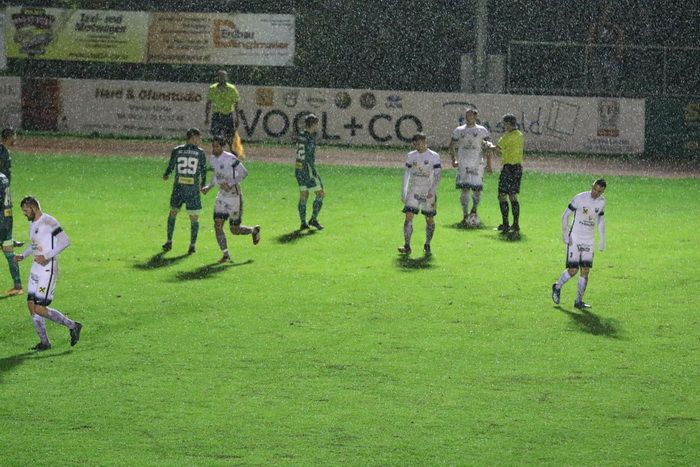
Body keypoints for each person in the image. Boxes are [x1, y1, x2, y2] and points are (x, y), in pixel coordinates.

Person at [15, 196, 81, 351]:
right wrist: (23, 255)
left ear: (33, 207)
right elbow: (35, 244)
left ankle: (73, 326)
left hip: (47, 268)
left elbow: (65, 241)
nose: (24, 214)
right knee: (31, 305)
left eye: (26, 210)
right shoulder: (32, 223)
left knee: (39, 308)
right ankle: (45, 343)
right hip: (36, 267)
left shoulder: (49, 221)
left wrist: (47, 256)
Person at [202, 136, 261, 263]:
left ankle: (253, 230)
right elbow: (216, 176)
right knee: (218, 225)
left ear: (223, 147)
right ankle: (226, 254)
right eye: (213, 146)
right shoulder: (213, 159)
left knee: (234, 230)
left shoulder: (231, 159)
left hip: (234, 197)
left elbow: (244, 173)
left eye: (217, 146)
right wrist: (208, 187)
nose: (214, 149)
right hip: (221, 196)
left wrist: (230, 183)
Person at [551, 179, 607, 309]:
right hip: (575, 238)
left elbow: (600, 220)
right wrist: (565, 234)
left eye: (599, 191)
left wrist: (602, 239)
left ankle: (578, 301)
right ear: (592, 186)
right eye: (594, 189)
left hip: (589, 240)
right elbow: (565, 215)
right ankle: (557, 286)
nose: (596, 193)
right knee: (573, 270)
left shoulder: (602, 202)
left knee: (585, 271)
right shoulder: (580, 198)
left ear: (603, 191)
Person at [162, 128, 208, 254]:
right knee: (194, 217)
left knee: (173, 213)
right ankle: (192, 245)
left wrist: (166, 174)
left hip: (178, 188)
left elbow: (171, 166)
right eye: (198, 138)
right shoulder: (200, 153)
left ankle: (169, 241)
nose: (199, 140)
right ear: (193, 137)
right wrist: (203, 184)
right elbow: (203, 170)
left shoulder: (177, 150)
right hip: (192, 190)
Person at [448, 107, 493, 227]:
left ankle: (474, 210)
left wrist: (489, 164)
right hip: (463, 164)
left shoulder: (482, 130)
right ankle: (465, 215)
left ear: (475, 116)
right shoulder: (459, 130)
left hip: (477, 164)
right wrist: (454, 159)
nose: (469, 117)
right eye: (467, 115)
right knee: (465, 189)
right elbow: (451, 145)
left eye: (471, 115)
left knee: (477, 189)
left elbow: (488, 147)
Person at [398, 133, 442, 256]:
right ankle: (407, 246)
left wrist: (432, 190)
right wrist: (404, 191)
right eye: (415, 143)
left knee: (429, 218)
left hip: (428, 191)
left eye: (419, 143)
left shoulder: (434, 156)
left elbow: (438, 175)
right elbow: (407, 173)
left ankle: (427, 244)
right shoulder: (411, 156)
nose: (417, 145)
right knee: (408, 216)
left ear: (425, 142)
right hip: (414, 189)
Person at [0, 128, 22, 296]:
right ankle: (18, 285)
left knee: (8, 251)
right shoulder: (4, 179)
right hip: (7, 217)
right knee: (8, 252)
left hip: (1, 219)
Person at [494, 114, 525, 234]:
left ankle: (505, 223)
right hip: (517, 168)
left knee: (502, 195)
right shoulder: (520, 135)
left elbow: (498, 148)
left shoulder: (507, 136)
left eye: (505, 124)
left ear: (508, 124)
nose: (504, 126)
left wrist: (487, 145)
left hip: (508, 168)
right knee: (513, 195)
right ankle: (516, 224)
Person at [587, 4, 625, 95]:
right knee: (597, 78)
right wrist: (591, 51)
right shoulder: (596, 27)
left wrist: (619, 51)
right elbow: (590, 39)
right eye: (604, 15)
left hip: (611, 54)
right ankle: (598, 94)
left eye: (608, 15)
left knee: (612, 78)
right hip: (598, 54)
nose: (606, 18)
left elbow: (620, 38)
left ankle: (612, 94)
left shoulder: (614, 28)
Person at [295, 114, 325, 230]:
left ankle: (303, 222)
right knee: (320, 193)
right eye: (317, 124)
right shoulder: (310, 138)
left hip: (298, 168)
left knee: (304, 194)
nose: (318, 126)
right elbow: (309, 157)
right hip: (307, 170)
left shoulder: (300, 135)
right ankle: (313, 219)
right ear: (313, 125)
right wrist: (313, 171)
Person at [205, 69, 241, 155]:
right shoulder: (213, 88)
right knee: (216, 136)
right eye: (220, 76)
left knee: (230, 137)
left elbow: (236, 104)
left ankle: (233, 154)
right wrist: (207, 117)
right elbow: (208, 103)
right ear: (217, 77)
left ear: (226, 77)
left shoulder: (232, 88)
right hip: (217, 115)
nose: (222, 78)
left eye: (224, 76)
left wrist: (237, 117)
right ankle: (215, 153)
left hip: (228, 115)